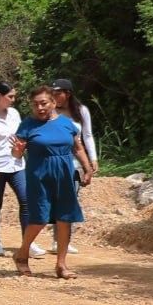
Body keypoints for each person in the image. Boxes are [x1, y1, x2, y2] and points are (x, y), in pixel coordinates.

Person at [11, 86, 92, 279]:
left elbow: (78, 148)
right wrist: (18, 150)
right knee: (39, 218)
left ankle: (61, 265)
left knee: (65, 218)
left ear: (54, 103)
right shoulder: (27, 125)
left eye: (43, 103)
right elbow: (16, 153)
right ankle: (22, 254)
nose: (40, 108)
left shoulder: (66, 123)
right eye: (35, 104)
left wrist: (87, 167)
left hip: (64, 174)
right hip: (39, 175)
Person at [0, 81, 36, 258]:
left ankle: (28, 242)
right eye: (10, 96)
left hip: (16, 164)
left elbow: (21, 135)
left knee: (26, 200)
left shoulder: (14, 114)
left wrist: (22, 145)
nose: (13, 99)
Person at [48, 78, 98, 256]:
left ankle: (64, 240)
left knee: (70, 201)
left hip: (75, 162)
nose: (54, 97)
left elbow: (87, 135)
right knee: (56, 200)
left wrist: (92, 159)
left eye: (58, 93)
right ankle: (57, 240)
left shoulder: (81, 111)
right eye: (53, 93)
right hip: (55, 161)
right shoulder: (50, 111)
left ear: (67, 94)